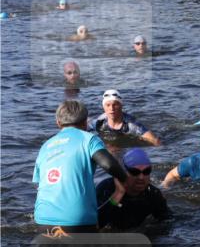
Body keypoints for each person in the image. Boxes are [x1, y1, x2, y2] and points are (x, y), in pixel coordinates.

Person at [33, 100, 129, 234]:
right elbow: (109, 165)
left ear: (58, 123)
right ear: (85, 122)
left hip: (42, 220)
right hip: (77, 221)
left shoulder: (45, 146)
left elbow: (38, 185)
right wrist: (126, 179)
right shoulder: (89, 139)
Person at [96, 148, 171, 230]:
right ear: (123, 172)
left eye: (146, 171)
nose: (141, 177)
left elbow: (168, 221)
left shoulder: (153, 193)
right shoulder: (106, 189)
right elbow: (94, 226)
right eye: (134, 172)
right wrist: (118, 194)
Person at [90, 89, 161, 146]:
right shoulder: (99, 122)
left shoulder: (131, 125)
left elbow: (155, 141)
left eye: (115, 105)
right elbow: (84, 125)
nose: (111, 108)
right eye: (108, 105)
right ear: (103, 107)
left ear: (121, 106)